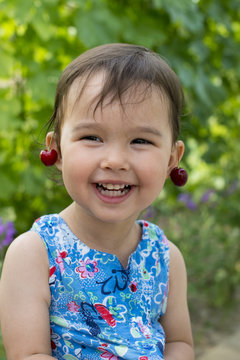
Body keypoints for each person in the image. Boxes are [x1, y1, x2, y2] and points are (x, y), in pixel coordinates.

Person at [0, 43, 194, 360]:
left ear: (172, 158)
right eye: (92, 137)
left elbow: (179, 344)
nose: (115, 160)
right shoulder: (35, 254)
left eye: (140, 141)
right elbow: (28, 354)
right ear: (58, 149)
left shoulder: (166, 258)